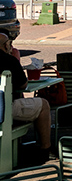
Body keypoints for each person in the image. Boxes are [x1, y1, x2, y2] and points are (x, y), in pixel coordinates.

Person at [0, 30, 51, 163]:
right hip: (4, 109)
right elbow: (23, 85)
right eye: (9, 44)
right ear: (6, 46)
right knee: (43, 105)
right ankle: (45, 149)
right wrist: (15, 59)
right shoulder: (9, 60)